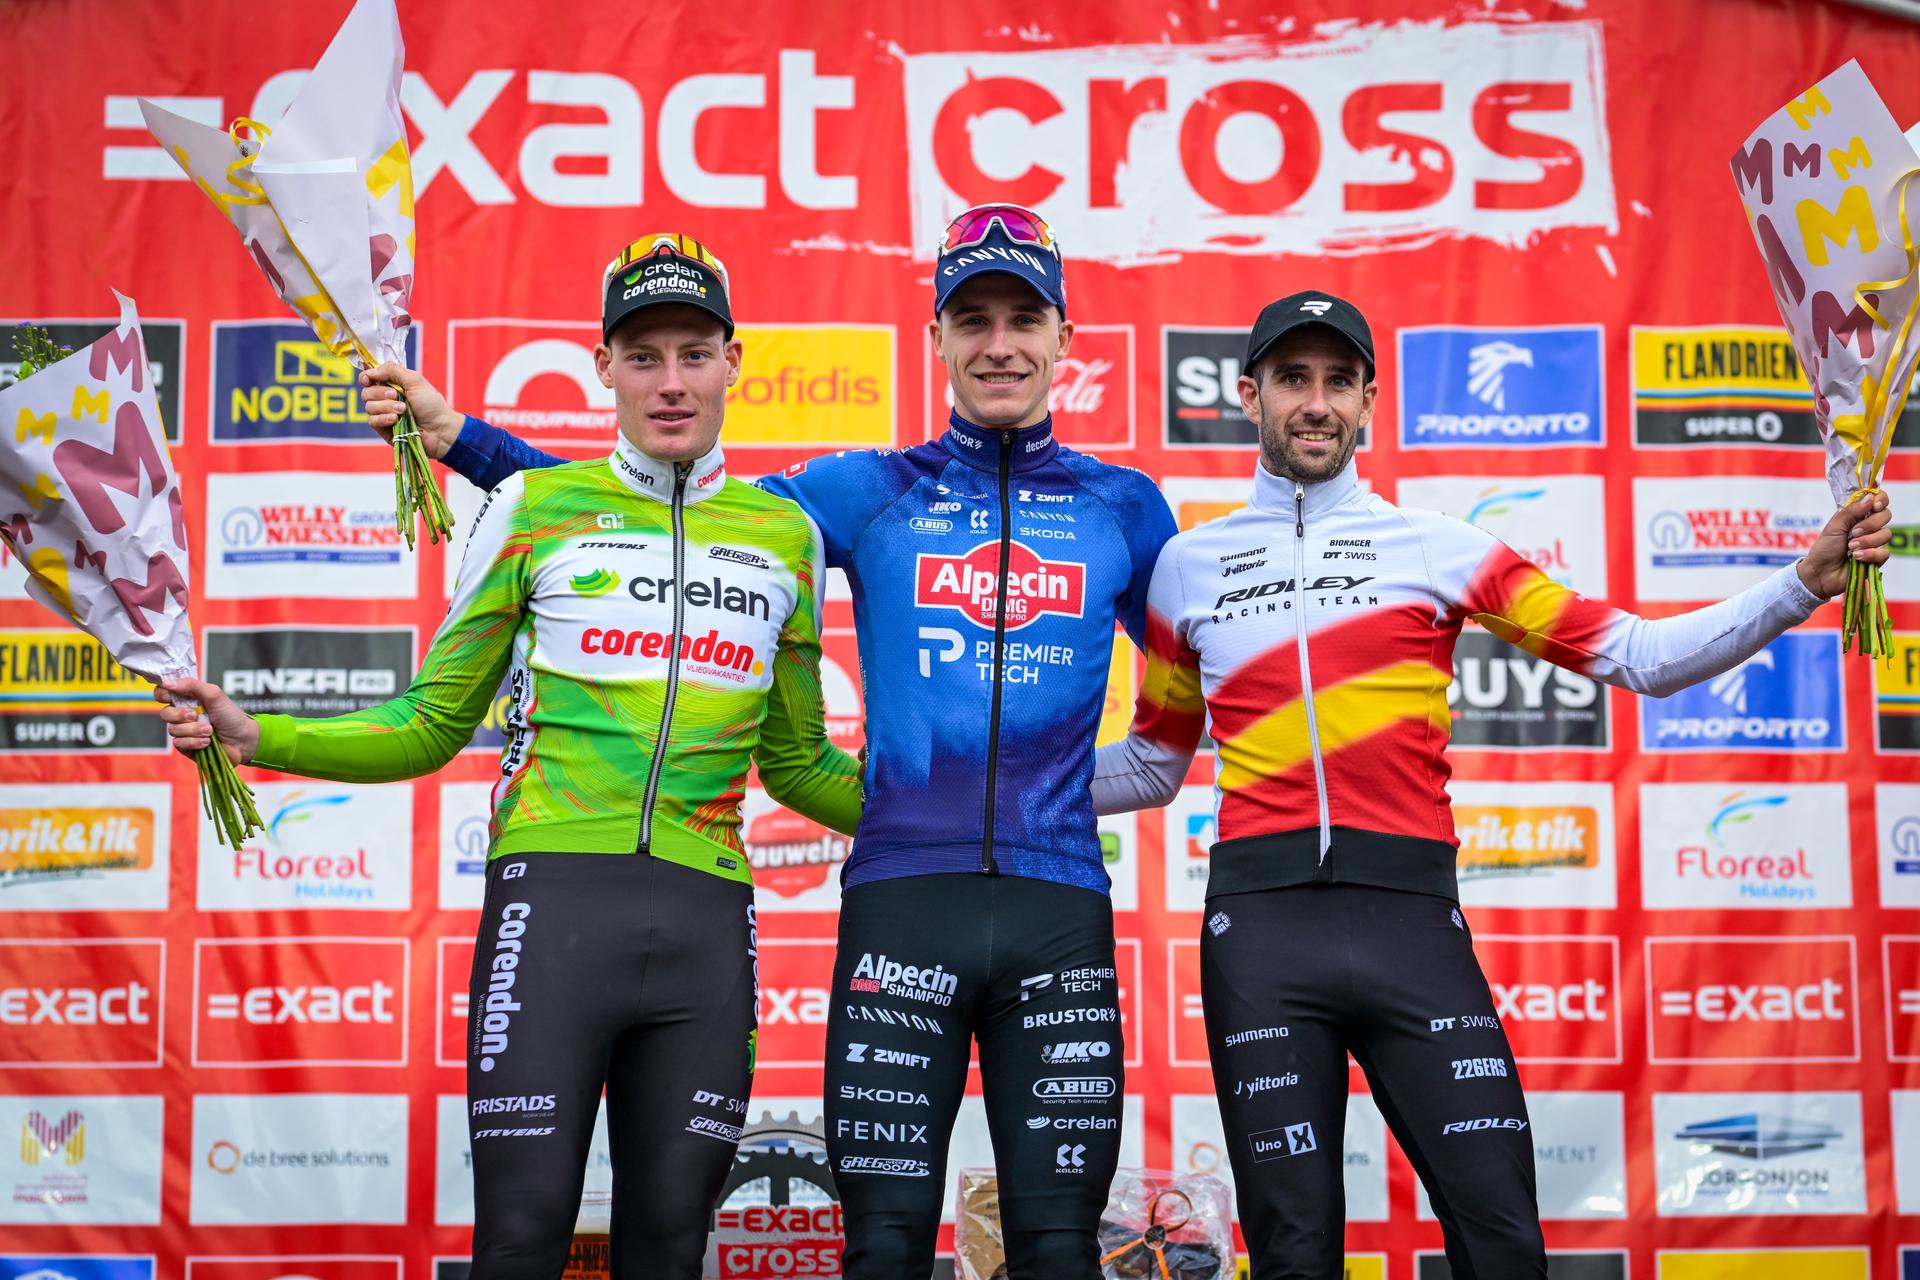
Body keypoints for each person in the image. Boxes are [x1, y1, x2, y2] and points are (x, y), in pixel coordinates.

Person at [358, 205, 1178, 1279]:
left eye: (1025, 318)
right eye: (971, 319)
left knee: (1060, 1249)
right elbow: (659, 503)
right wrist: (463, 437)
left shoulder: (1130, 507)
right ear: (935, 337)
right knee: (881, 1243)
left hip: (1058, 904)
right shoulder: (866, 491)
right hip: (904, 902)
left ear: (1066, 339)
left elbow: (1176, 728)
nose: (1000, 344)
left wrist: (1065, 795)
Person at [1091, 289, 1894, 1280]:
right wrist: (965, 794)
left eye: (1338, 381)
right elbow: (1151, 763)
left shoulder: (1439, 547)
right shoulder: (1187, 567)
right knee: (1295, 1251)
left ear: (1369, 400)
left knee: (1504, 1235)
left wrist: (1802, 581)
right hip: (1260, 934)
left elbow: (1634, 653)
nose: (1315, 402)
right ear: (1248, 393)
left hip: (1411, 924)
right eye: (1293, 379)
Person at [159, 233, 862, 1280]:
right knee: (522, 1240)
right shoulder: (532, 507)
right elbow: (430, 723)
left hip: (710, 920)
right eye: (643, 356)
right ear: (603, 366)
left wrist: (972, 818)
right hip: (554, 907)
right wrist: (260, 734)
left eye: (693, 352)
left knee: (671, 1247)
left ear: (732, 359)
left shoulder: (784, 537)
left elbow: (802, 765)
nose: (670, 382)